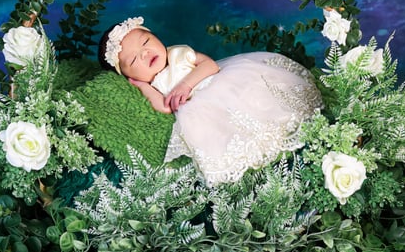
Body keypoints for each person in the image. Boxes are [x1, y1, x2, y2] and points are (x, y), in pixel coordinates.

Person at [98, 16, 323, 186]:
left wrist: (185, 85)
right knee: (222, 133)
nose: (145, 53)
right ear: (129, 76)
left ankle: (280, 124)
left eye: (146, 41)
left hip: (219, 84)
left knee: (255, 98)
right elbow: (165, 107)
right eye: (134, 60)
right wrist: (144, 87)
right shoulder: (153, 84)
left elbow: (210, 65)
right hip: (201, 110)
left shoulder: (178, 54)